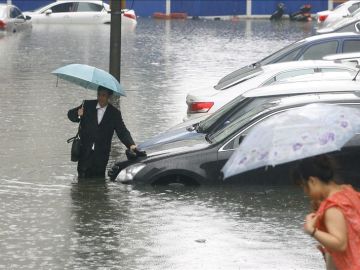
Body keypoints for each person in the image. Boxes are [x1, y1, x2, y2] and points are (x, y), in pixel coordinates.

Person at [293, 155, 360, 270]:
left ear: (312, 181)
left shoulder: (332, 207)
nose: (305, 192)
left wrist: (312, 230)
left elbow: (340, 244)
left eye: (304, 186)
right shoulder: (348, 191)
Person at [68, 86, 143, 179]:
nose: (100, 98)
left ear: (109, 97)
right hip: (84, 153)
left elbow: (122, 131)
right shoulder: (87, 105)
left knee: (99, 181)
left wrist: (131, 145)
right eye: (99, 94)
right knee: (81, 181)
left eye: (104, 95)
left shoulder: (114, 113)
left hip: (101, 155)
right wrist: (77, 113)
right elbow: (70, 115)